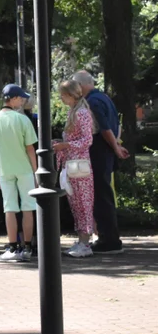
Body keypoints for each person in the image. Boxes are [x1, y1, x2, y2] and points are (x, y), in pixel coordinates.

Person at [72, 70, 129, 254]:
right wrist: (117, 146)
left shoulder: (92, 102)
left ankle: (109, 240)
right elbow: (117, 125)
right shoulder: (104, 98)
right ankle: (109, 237)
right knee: (105, 195)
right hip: (106, 154)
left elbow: (104, 129)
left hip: (98, 153)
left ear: (81, 86)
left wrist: (115, 147)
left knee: (101, 197)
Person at [0, 84, 38, 263]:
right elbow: (30, 148)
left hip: (5, 170)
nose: (23, 101)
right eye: (21, 98)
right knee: (28, 208)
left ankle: (13, 246)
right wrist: (36, 171)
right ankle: (28, 246)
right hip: (24, 169)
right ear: (14, 98)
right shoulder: (22, 120)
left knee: (9, 208)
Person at [54, 79, 96, 258]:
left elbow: (87, 140)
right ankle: (82, 240)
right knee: (76, 203)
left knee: (83, 203)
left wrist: (66, 146)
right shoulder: (74, 111)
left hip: (79, 165)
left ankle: (85, 242)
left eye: (63, 95)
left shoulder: (81, 113)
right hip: (73, 164)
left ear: (70, 95)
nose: (61, 99)